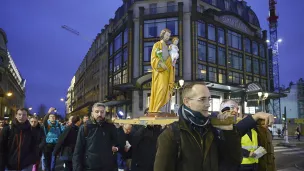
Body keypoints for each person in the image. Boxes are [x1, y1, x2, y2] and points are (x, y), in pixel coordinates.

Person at [154, 83, 275, 171]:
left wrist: (255, 116)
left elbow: (234, 160)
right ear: (187, 102)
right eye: (202, 99)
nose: (207, 104)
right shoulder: (171, 134)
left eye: (209, 99)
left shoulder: (212, 128)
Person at [221, 99, 276, 171]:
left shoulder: (252, 130)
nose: (236, 111)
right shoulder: (218, 129)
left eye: (237, 108)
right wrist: (248, 153)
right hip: (244, 163)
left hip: (254, 162)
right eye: (232, 107)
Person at [73, 102, 119, 171]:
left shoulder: (110, 127)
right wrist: (77, 168)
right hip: (90, 167)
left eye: (102, 112)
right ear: (92, 113)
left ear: (105, 113)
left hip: (107, 167)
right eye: (97, 112)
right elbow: (78, 151)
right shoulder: (85, 127)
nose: (99, 114)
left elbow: (118, 142)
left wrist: (116, 147)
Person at [149, 28, 175, 113]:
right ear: (163, 35)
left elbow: (170, 61)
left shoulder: (168, 48)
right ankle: (157, 109)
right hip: (160, 73)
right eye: (167, 35)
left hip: (167, 72)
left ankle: (164, 110)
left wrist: (173, 61)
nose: (168, 37)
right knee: (161, 89)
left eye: (169, 36)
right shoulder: (157, 45)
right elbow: (153, 59)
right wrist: (160, 63)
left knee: (166, 91)